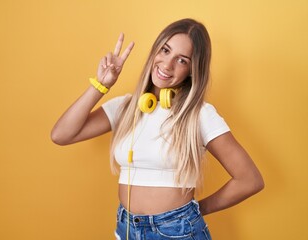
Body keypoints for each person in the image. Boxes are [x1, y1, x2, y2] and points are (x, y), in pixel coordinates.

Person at [51, 18, 264, 240]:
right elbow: (61, 134)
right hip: (127, 228)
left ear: (192, 70)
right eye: (165, 50)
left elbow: (249, 179)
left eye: (181, 60)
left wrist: (193, 212)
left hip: (177, 231)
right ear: (155, 51)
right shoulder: (126, 107)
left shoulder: (199, 114)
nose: (167, 65)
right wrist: (102, 84)